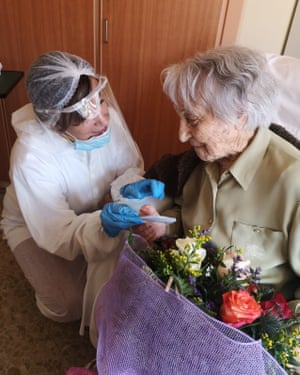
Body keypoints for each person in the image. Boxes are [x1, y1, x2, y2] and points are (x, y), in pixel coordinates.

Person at [0, 51, 165, 347]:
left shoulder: (102, 119)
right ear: (55, 125)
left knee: (124, 278)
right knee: (68, 305)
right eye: (86, 120)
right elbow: (59, 232)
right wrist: (102, 226)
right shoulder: (31, 158)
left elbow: (125, 167)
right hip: (36, 224)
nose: (102, 121)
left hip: (93, 207)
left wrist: (129, 187)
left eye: (101, 102)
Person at [135, 45, 300, 303]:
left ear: (239, 118)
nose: (181, 135)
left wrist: (280, 336)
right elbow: (189, 217)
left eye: (192, 120)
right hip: (185, 300)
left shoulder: (293, 181)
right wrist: (163, 226)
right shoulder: (202, 162)